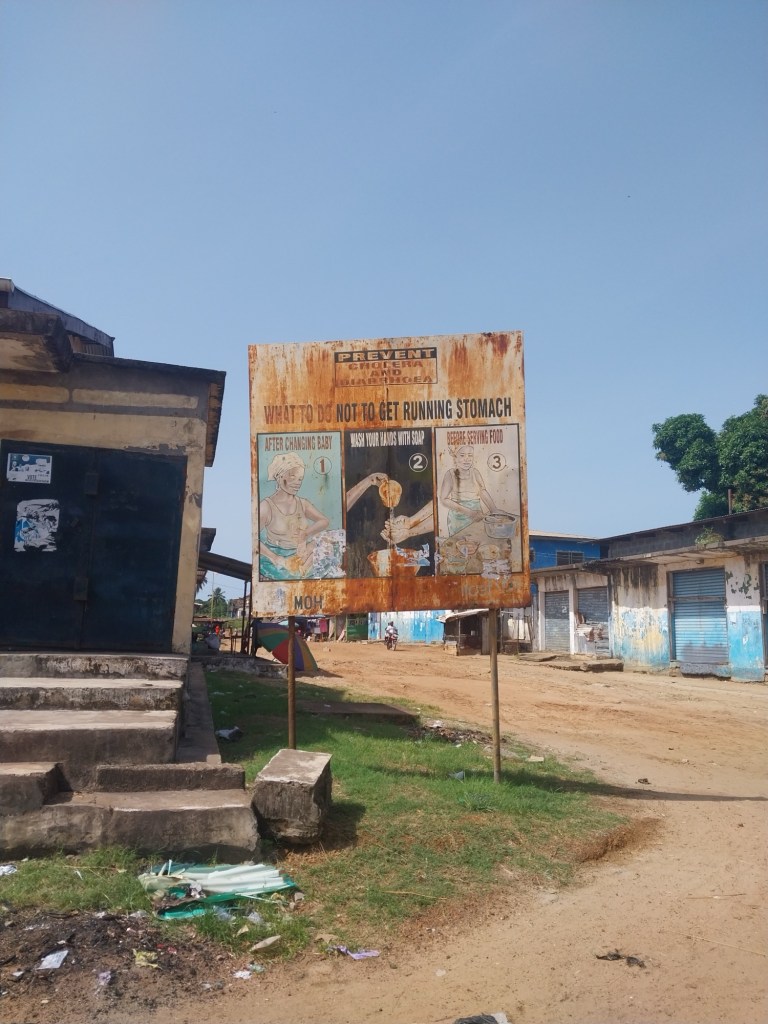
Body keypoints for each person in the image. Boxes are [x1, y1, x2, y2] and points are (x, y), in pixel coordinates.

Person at [259, 452, 330, 579]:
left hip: (301, 555)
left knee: (326, 541)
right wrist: (275, 558)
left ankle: (304, 569)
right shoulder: (266, 506)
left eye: (300, 479)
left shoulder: (302, 503)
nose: (297, 483)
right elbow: (254, 539)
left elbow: (324, 521)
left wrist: (305, 534)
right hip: (279, 559)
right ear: (279, 476)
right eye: (292, 477)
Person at [440, 444, 506, 536]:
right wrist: (470, 512)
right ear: (455, 458)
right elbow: (444, 499)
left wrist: (493, 509)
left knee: (477, 539)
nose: (467, 459)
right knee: (459, 542)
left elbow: (482, 491)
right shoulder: (450, 474)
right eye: (462, 455)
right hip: (458, 518)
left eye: (470, 455)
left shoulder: (475, 472)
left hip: (477, 516)